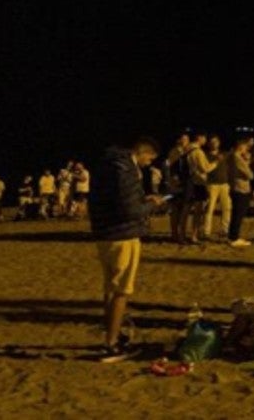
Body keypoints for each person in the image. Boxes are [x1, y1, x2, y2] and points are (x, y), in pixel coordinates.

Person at [88, 137, 166, 362]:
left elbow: (116, 200)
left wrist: (142, 198)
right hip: (123, 234)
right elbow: (131, 210)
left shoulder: (106, 164)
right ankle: (111, 345)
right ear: (142, 151)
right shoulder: (127, 169)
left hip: (104, 233)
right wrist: (153, 204)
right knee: (122, 290)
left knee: (110, 288)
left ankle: (113, 335)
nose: (149, 163)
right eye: (149, 158)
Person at [228, 137, 254, 247]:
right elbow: (250, 175)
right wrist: (247, 162)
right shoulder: (237, 158)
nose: (246, 149)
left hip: (235, 187)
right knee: (238, 214)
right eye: (245, 146)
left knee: (236, 213)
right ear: (240, 147)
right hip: (241, 188)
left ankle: (233, 236)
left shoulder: (231, 156)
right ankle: (234, 237)